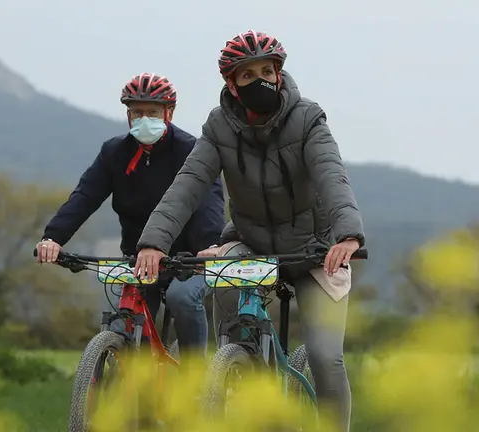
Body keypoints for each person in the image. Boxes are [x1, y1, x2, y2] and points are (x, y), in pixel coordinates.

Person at [134, 31, 365, 432]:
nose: (259, 81)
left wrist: (348, 235)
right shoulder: (219, 127)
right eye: (247, 75)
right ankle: (240, 372)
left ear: (279, 73)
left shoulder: (308, 118)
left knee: (327, 357)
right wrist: (154, 242)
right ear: (231, 84)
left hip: (315, 248)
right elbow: (187, 184)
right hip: (252, 244)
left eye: (266, 71)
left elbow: (332, 177)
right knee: (228, 314)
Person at [35, 73, 226, 359]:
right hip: (139, 259)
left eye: (152, 112)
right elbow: (85, 196)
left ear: (168, 113)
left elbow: (209, 199)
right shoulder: (115, 152)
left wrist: (211, 245)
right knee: (130, 310)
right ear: (128, 115)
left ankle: (194, 378)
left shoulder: (191, 150)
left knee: (182, 298)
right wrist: (53, 237)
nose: (144, 118)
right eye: (137, 112)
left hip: (191, 258)